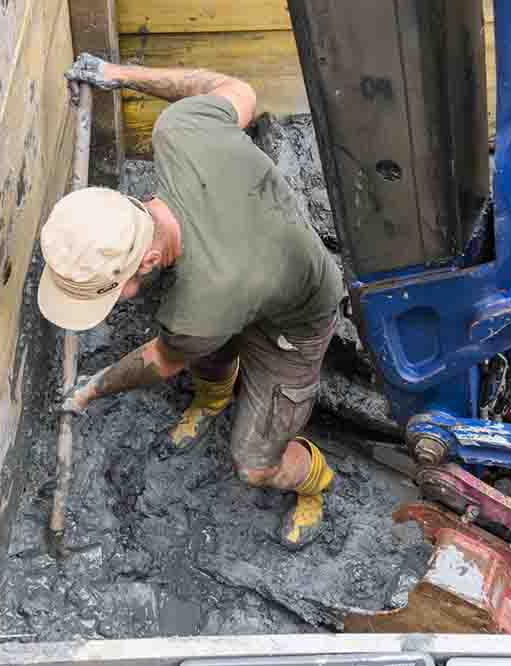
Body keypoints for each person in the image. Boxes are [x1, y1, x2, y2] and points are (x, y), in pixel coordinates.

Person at [40, 53, 343, 549]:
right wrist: (118, 75)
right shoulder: (180, 130)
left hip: (297, 318)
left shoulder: (199, 307)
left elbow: (161, 359)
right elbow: (234, 87)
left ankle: (317, 482)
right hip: (256, 262)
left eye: (116, 291)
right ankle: (214, 398)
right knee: (206, 344)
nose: (119, 302)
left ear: (147, 258)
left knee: (253, 463)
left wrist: (92, 389)